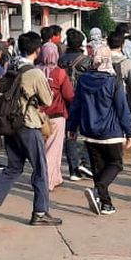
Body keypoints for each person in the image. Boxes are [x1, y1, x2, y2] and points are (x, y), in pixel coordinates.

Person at [0, 32, 60, 227]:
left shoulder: (10, 66)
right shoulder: (35, 73)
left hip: (9, 124)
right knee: (40, 169)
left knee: (14, 167)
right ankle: (40, 211)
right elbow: (47, 100)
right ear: (37, 50)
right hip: (28, 124)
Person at [66, 44, 131, 215]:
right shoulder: (114, 81)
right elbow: (122, 108)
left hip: (88, 131)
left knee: (98, 168)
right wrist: (129, 132)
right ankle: (100, 189)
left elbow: (76, 106)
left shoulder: (83, 80)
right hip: (111, 132)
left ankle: (105, 203)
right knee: (116, 164)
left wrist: (72, 128)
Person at [37, 43, 74, 192]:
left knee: (44, 148)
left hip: (38, 115)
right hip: (56, 115)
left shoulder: (35, 71)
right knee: (53, 149)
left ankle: (56, 176)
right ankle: (48, 181)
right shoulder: (60, 73)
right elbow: (69, 95)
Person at [58, 29, 93, 181]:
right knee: (87, 134)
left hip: (65, 101)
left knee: (70, 135)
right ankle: (86, 163)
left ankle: (73, 171)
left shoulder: (60, 60)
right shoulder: (87, 60)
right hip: (83, 100)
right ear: (81, 43)